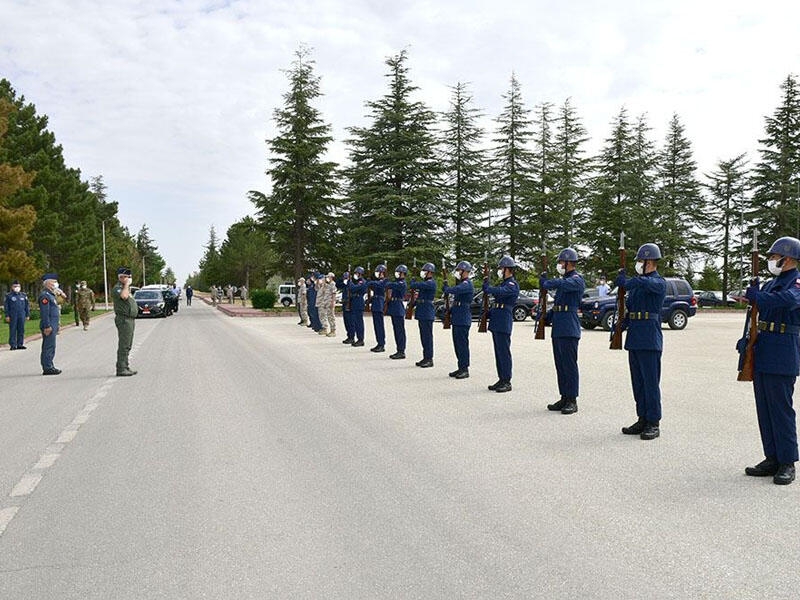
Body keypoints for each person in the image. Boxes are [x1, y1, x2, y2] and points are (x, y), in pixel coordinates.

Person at [742, 236, 800, 485]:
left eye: (774, 257)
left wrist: (758, 297)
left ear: (787, 259)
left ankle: (787, 461)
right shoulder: (769, 284)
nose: (771, 261)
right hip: (764, 347)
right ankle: (772, 457)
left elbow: (786, 301)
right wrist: (746, 340)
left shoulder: (796, 282)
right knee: (764, 407)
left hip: (783, 350)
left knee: (781, 409)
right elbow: (756, 310)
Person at [616, 243, 667, 440]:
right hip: (635, 337)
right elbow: (631, 307)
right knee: (638, 382)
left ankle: (653, 422)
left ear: (650, 261)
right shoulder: (638, 284)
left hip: (649, 338)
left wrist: (628, 281)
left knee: (650, 382)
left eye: (640, 261)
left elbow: (646, 285)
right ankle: (642, 417)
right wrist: (622, 324)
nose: (638, 264)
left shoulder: (658, 282)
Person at [540, 248, 586, 414]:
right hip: (559, 326)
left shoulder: (576, 279)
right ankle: (564, 396)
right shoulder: (564, 279)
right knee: (560, 365)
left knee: (569, 365)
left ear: (568, 263)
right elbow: (558, 303)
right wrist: (546, 317)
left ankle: (572, 400)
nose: (559, 265)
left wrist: (548, 283)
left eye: (560, 262)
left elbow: (564, 285)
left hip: (569, 327)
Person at [483, 256, 520, 393]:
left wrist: (489, 288)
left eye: (501, 268)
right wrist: (489, 312)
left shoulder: (511, 284)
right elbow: (498, 302)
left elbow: (502, 293)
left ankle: (507, 380)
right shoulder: (503, 284)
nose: (499, 271)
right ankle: (501, 378)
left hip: (504, 321)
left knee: (504, 352)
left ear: (507, 270)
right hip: (497, 320)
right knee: (498, 352)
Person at [443, 261, 475, 379]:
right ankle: (460, 366)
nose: (457, 273)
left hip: (463, 318)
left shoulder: (467, 284)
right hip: (457, 317)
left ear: (464, 271)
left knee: (462, 344)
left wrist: (447, 289)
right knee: (457, 344)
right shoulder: (462, 283)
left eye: (459, 270)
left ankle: (465, 369)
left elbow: (457, 289)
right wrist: (450, 310)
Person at [410, 262, 437, 367]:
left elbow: (416, 285)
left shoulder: (431, 283)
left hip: (427, 312)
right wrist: (413, 304)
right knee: (423, 337)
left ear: (430, 272)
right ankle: (425, 357)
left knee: (427, 337)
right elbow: (421, 297)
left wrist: (413, 282)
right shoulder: (425, 283)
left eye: (424, 271)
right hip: (422, 312)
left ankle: (429, 359)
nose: (423, 273)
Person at [113, 267, 138, 376]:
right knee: (124, 344)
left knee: (128, 344)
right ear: (121, 277)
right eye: (127, 277)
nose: (129, 279)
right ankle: (121, 368)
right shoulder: (118, 288)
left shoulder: (124, 287)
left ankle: (126, 366)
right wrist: (127, 285)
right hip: (124, 319)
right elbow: (123, 296)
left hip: (130, 319)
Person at [38, 273, 61, 375]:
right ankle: (47, 367)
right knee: (48, 346)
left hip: (53, 324)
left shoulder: (51, 295)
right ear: (47, 283)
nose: (55, 284)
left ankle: (49, 365)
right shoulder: (45, 296)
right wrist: (47, 326)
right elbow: (45, 312)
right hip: (49, 325)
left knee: (51, 346)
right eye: (53, 282)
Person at [385, 265, 408, 359]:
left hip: (398, 307)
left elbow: (390, 285)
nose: (397, 274)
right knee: (396, 330)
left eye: (399, 272)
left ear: (403, 274)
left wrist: (386, 281)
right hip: (394, 307)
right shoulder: (396, 282)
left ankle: (401, 351)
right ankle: (398, 349)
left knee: (399, 331)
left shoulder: (402, 283)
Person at [367, 265, 388, 352]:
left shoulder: (384, 281)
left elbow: (379, 285)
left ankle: (381, 344)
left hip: (379, 303)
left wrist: (370, 282)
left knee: (379, 325)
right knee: (376, 325)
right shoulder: (377, 281)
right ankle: (379, 343)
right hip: (375, 303)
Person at [4, 280, 30, 350]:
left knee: (21, 330)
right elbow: (6, 307)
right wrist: (7, 315)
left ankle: (20, 344)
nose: (17, 287)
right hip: (13, 315)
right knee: (13, 330)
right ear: (12, 287)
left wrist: (27, 315)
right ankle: (13, 345)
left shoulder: (23, 295)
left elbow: (27, 306)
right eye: (15, 286)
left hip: (21, 315)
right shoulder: (9, 296)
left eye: (18, 286)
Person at [347, 267, 367, 347]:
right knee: (355, 321)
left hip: (358, 301)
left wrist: (350, 283)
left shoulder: (362, 282)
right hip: (354, 301)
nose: (355, 275)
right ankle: (357, 338)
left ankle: (360, 339)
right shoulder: (356, 282)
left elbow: (353, 288)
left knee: (359, 322)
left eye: (356, 273)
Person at [338, 271, 354, 343]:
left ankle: (352, 336)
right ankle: (349, 336)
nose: (345, 278)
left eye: (346, 277)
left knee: (350, 321)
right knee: (346, 321)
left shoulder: (351, 283)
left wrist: (349, 281)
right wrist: (342, 280)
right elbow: (337, 284)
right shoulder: (344, 284)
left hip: (350, 303)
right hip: (345, 303)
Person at [324, 272, 337, 337]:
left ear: (331, 277)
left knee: (331, 317)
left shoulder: (332, 284)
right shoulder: (328, 284)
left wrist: (332, 303)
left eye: (328, 277)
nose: (327, 278)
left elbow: (334, 294)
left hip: (330, 303)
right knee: (329, 317)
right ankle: (331, 330)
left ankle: (333, 330)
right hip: (327, 303)